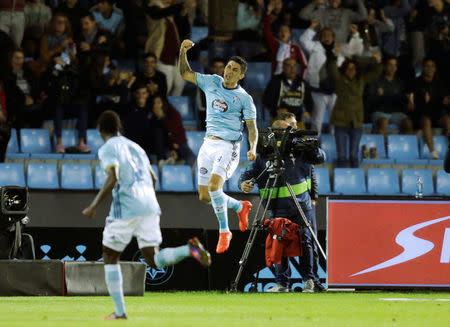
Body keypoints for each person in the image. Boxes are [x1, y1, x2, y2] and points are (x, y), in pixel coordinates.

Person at [82, 110, 211, 320]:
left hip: (127, 203)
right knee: (153, 259)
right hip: (150, 203)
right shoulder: (136, 147)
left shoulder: (107, 148)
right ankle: (189, 249)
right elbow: (153, 179)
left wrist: (94, 205)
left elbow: (113, 177)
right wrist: (146, 200)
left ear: (100, 130)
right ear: (119, 127)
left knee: (109, 254)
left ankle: (120, 312)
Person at [179, 39, 258, 254]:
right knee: (204, 196)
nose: (229, 71)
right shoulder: (211, 82)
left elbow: (252, 128)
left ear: (241, 76)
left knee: (214, 188)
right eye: (228, 67)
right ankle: (239, 206)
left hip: (228, 147)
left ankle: (225, 231)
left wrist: (252, 148)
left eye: (235, 70)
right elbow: (185, 74)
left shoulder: (244, 98)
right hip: (208, 144)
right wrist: (183, 51)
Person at [239, 119, 326, 293]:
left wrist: (311, 145)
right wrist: (242, 184)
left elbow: (320, 158)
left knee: (306, 243)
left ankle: (310, 280)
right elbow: (248, 174)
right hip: (276, 207)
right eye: (285, 132)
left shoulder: (300, 151)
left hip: (301, 206)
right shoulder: (264, 155)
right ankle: (282, 283)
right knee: (279, 244)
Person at [326, 47, 383, 168]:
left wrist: (378, 61)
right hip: (340, 122)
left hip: (356, 122)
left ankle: (355, 180)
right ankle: (341, 182)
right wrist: (335, 57)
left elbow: (376, 73)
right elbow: (332, 69)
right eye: (348, 68)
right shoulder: (340, 80)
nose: (351, 70)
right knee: (341, 156)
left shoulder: (361, 80)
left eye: (353, 68)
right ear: (344, 69)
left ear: (357, 70)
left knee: (353, 155)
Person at [406, 58, 450, 159]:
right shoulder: (415, 83)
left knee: (448, 120)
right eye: (427, 66)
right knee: (426, 121)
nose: (430, 69)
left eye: (432, 66)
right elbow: (413, 104)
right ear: (422, 68)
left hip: (437, 114)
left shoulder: (440, 83)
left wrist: (441, 101)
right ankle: (432, 152)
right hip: (422, 115)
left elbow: (444, 101)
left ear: (435, 69)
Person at [366, 56, 411, 135]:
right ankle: (382, 145)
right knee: (384, 121)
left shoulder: (399, 82)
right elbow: (370, 101)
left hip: (395, 113)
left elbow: (402, 100)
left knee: (408, 123)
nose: (392, 68)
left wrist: (409, 102)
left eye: (394, 65)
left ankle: (405, 146)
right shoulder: (376, 81)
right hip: (379, 112)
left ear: (397, 68)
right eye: (390, 65)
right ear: (384, 67)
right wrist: (378, 96)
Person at [264, 1, 307, 77]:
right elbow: (267, 31)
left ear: (290, 34)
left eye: (286, 31)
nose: (283, 32)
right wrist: (268, 13)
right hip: (277, 78)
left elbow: (304, 66)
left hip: (292, 79)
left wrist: (300, 80)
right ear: (278, 34)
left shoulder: (295, 48)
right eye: (281, 31)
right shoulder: (275, 45)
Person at [263, 57, 306, 122]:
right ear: (283, 67)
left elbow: (309, 100)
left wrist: (307, 110)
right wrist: (276, 109)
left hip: (297, 120)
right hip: (279, 119)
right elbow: (266, 100)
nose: (292, 68)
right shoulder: (275, 81)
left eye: (294, 65)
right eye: (289, 65)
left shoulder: (302, 82)